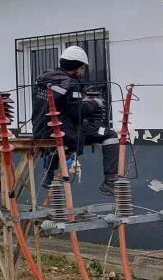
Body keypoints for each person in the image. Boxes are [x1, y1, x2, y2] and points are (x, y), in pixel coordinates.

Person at [32, 45, 118, 196]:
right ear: (77, 67)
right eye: (82, 68)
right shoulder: (70, 84)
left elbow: (61, 106)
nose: (82, 71)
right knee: (110, 134)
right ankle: (110, 182)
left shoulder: (45, 80)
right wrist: (94, 103)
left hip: (41, 130)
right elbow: (77, 111)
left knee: (60, 138)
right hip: (64, 133)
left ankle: (49, 176)